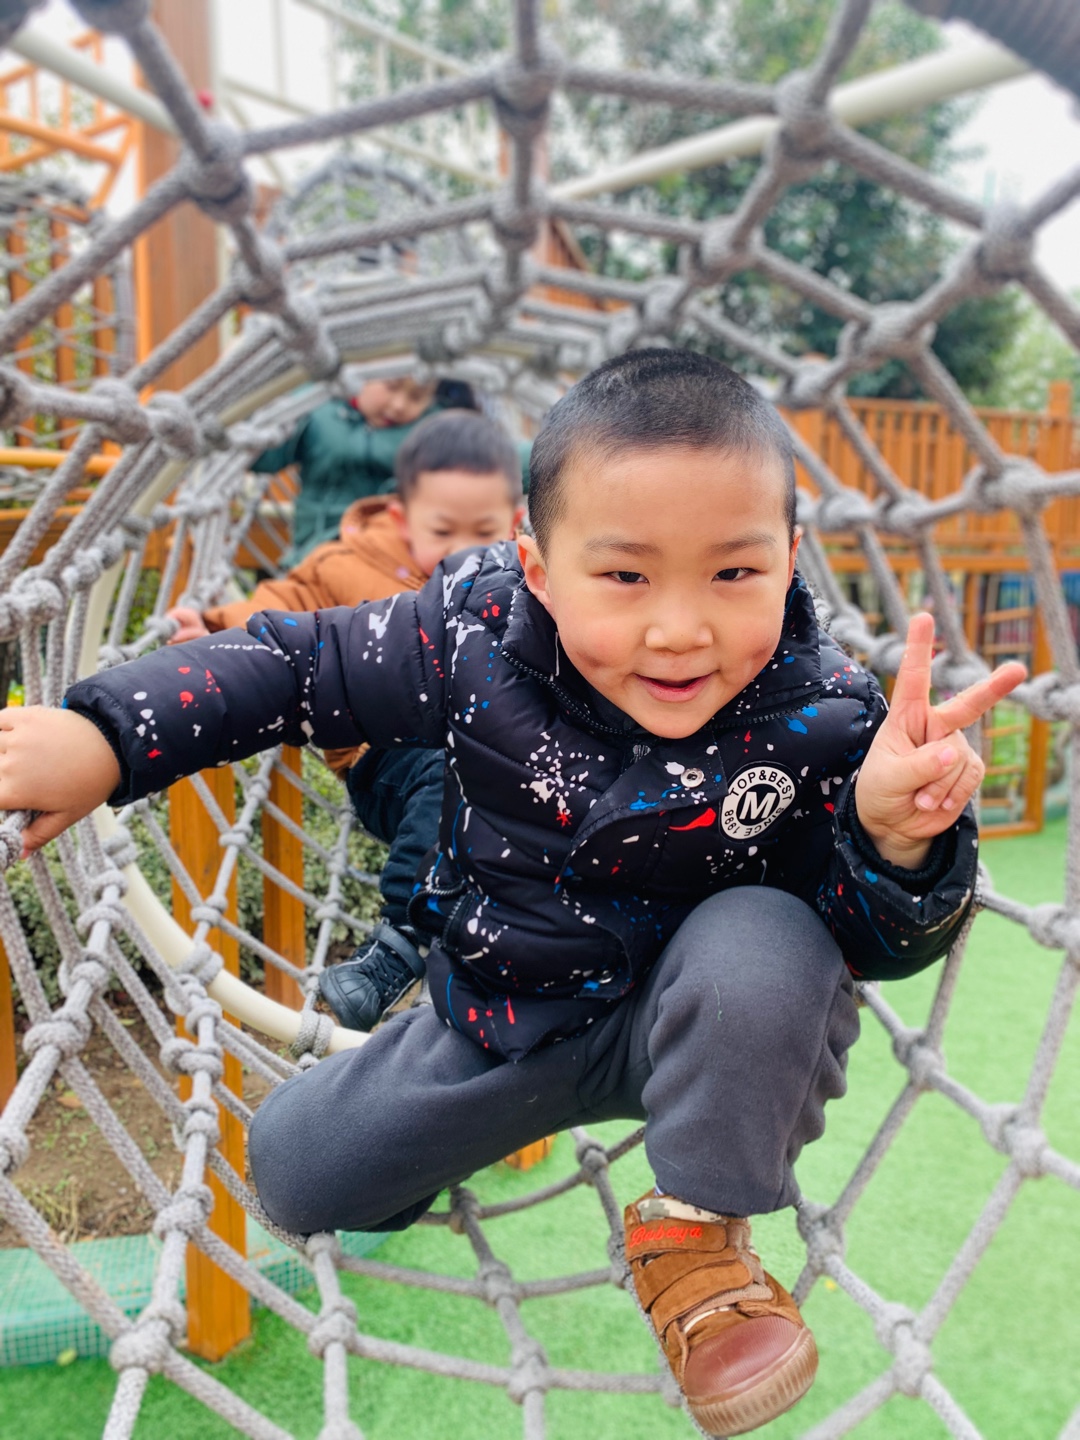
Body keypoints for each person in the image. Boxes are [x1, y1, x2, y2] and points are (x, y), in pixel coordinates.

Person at [0, 350, 1024, 1437]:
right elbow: (293, 666)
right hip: (500, 1019)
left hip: (703, 1024)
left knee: (771, 935)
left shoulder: (827, 710)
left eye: (734, 573)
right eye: (624, 577)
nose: (681, 629)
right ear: (536, 565)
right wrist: (107, 737)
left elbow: (873, 944)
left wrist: (894, 838)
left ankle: (693, 1236)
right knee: (297, 1174)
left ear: (790, 559)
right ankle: (448, 1126)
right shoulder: (471, 632)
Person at [169, 408, 526, 1029]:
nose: (464, 548)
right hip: (390, 758)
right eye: (443, 531)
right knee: (451, 766)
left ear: (516, 521)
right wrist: (214, 628)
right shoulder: (344, 564)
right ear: (401, 518)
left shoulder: (521, 573)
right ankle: (401, 945)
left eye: (485, 530)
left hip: (508, 763)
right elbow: (282, 611)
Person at [255, 374, 478, 563]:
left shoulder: (435, 430)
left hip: (395, 558)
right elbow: (264, 459)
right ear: (360, 377)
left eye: (417, 397)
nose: (399, 405)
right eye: (391, 387)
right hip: (316, 550)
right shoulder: (319, 410)